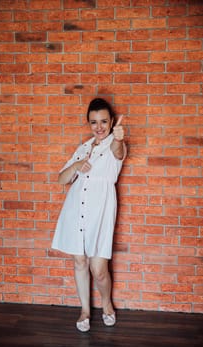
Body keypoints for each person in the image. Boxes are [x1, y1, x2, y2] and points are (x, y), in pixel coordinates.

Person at [51, 97, 127, 332]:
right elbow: (62, 179)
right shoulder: (83, 148)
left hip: (100, 213)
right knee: (80, 261)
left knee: (99, 269)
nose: (99, 127)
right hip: (75, 211)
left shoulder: (114, 143)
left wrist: (119, 137)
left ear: (111, 121)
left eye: (104, 121)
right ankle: (84, 310)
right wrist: (76, 165)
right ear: (89, 123)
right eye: (94, 122)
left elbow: (119, 150)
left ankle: (106, 304)